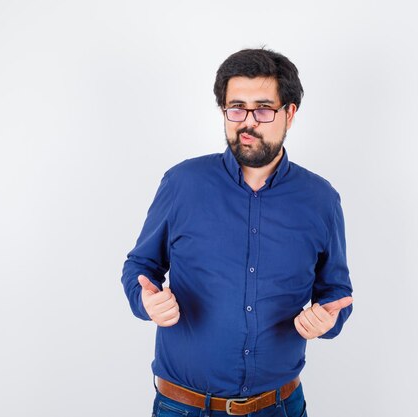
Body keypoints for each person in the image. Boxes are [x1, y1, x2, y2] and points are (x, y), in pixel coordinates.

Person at [121, 48, 353, 417]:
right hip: (183, 407)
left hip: (278, 407)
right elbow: (140, 266)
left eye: (263, 109)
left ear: (289, 114)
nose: (248, 122)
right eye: (236, 109)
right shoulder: (183, 184)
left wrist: (327, 319)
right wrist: (145, 300)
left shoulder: (321, 199)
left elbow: (336, 292)